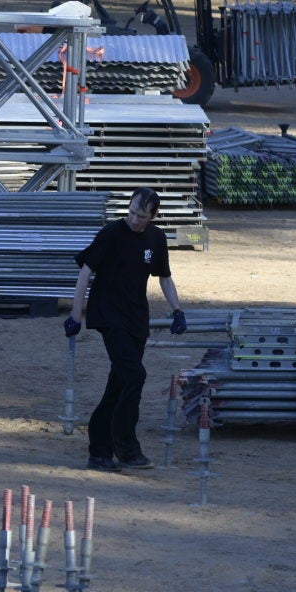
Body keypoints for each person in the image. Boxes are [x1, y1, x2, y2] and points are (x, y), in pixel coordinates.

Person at [66, 187, 185, 473]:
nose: (134, 219)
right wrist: (75, 314)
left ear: (153, 216)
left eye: (141, 216)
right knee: (135, 375)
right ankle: (125, 445)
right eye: (131, 212)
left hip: (136, 318)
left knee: (120, 383)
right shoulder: (111, 233)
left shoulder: (156, 239)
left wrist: (178, 310)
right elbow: (85, 271)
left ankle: (103, 452)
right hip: (108, 315)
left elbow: (165, 278)